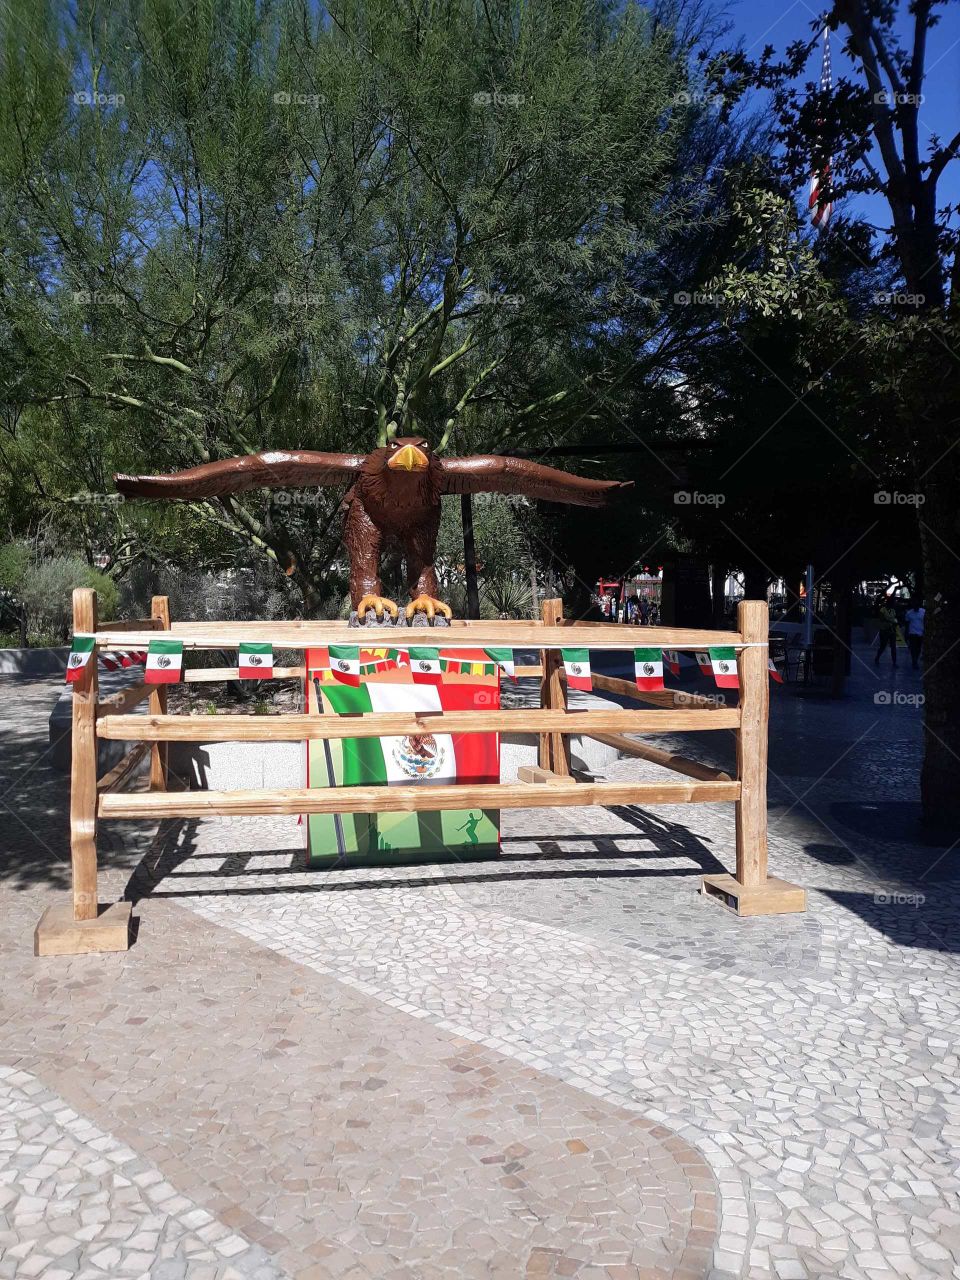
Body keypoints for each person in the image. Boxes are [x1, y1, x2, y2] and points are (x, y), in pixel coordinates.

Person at [874, 595, 898, 667]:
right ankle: (877, 658)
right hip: (884, 630)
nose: (894, 604)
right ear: (889, 603)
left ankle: (894, 662)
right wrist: (891, 621)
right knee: (883, 646)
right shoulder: (883, 609)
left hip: (892, 630)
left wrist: (895, 622)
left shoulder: (893, 610)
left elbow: (894, 618)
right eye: (893, 602)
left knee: (893, 646)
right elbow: (881, 618)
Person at [904, 598, 925, 670]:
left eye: (916, 604)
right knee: (913, 648)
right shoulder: (909, 613)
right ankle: (914, 661)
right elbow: (907, 624)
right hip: (912, 633)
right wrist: (906, 634)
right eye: (914, 604)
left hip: (920, 633)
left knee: (918, 649)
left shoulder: (923, 612)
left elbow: (926, 622)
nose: (915, 606)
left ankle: (915, 660)